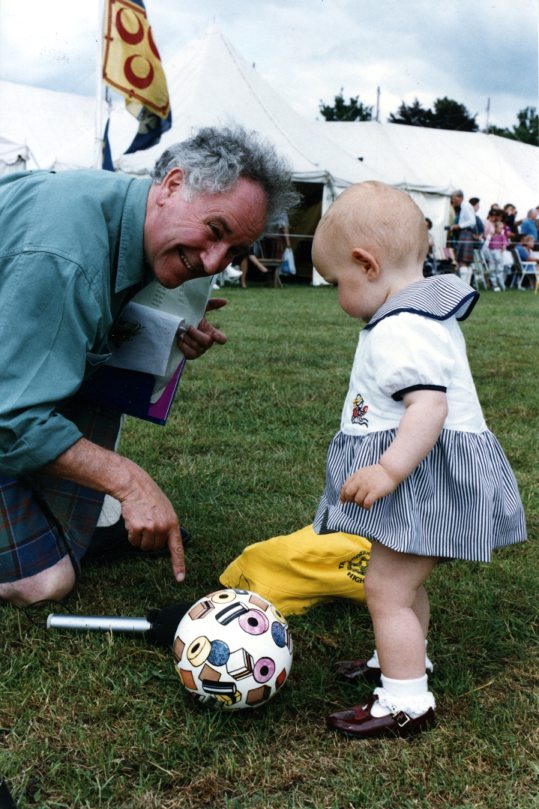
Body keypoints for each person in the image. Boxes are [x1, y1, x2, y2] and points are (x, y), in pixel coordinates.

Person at [0, 126, 298, 608]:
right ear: (174, 184)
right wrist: (130, 482)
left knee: (57, 546)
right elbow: (11, 419)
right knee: (43, 582)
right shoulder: (66, 254)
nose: (213, 261)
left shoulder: (120, 211)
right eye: (215, 231)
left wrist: (163, 333)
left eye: (234, 252)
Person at [310, 181, 527, 739]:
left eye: (338, 282)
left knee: (386, 589)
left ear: (367, 263)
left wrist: (389, 469)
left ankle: (406, 700)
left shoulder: (401, 326)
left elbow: (429, 406)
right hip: (428, 478)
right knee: (400, 585)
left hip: (427, 480)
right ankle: (400, 660)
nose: (337, 296)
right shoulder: (417, 312)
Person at [448, 190, 477, 284]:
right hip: (466, 234)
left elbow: (472, 221)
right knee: (466, 263)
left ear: (459, 197)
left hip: (465, 233)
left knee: (463, 261)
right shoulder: (465, 206)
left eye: (453, 199)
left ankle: (464, 286)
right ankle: (467, 286)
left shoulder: (465, 206)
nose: (453, 201)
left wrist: (459, 226)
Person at [485, 220, 509, 290]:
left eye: (502, 228)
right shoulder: (492, 236)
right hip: (492, 252)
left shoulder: (502, 236)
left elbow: (505, 244)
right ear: (495, 228)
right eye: (500, 228)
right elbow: (489, 245)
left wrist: (503, 248)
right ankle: (494, 285)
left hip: (498, 252)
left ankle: (501, 284)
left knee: (499, 269)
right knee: (492, 269)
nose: (501, 230)